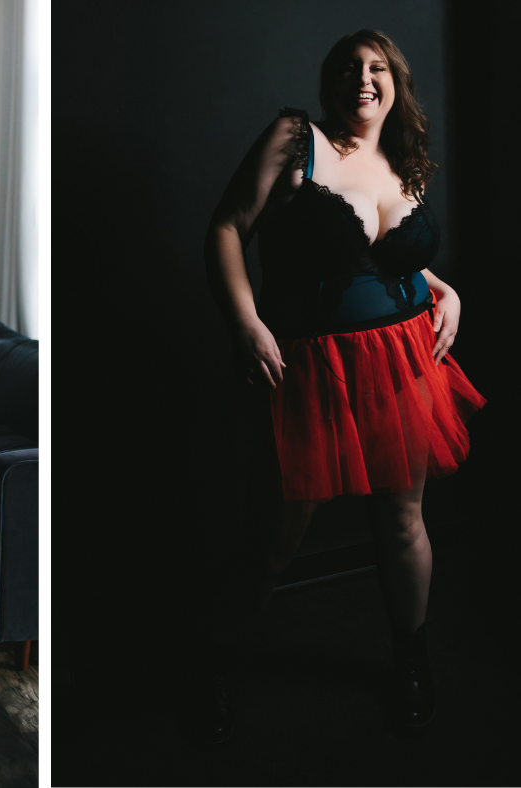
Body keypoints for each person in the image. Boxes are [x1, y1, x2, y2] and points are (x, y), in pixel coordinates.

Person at [202, 30, 487, 741]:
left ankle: (411, 659)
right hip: (315, 368)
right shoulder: (297, 138)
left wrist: (446, 294)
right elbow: (229, 227)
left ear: (397, 82)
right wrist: (245, 322)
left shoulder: (408, 163)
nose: (366, 77)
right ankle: (219, 667)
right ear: (334, 80)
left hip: (404, 363)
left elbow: (389, 265)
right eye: (353, 67)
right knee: (277, 532)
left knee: (401, 518)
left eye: (379, 67)